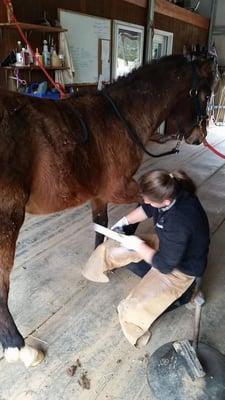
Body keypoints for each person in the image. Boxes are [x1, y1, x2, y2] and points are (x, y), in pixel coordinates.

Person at [111, 169, 210, 347]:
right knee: (120, 252)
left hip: (184, 267)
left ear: (166, 201)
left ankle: (187, 295)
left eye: (148, 199)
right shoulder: (172, 189)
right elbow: (148, 207)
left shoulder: (179, 222)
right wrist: (124, 221)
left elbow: (164, 265)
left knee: (131, 311)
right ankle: (153, 277)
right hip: (169, 247)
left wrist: (139, 246)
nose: (145, 201)